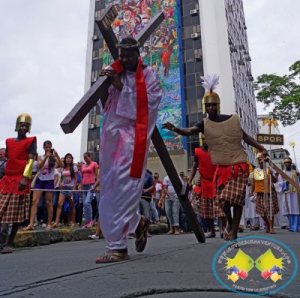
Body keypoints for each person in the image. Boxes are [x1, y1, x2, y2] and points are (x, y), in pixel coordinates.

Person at [163, 74, 267, 242]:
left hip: (239, 165)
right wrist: (174, 128)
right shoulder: (203, 124)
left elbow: (246, 137)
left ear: (217, 106)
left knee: (238, 201)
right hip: (221, 167)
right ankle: (231, 223)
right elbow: (189, 131)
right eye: (208, 105)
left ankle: (233, 231)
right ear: (205, 107)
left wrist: (261, 148)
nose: (210, 108)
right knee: (223, 200)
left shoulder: (232, 120)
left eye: (213, 105)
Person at [96, 36, 162, 263]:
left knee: (124, 184)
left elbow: (149, 103)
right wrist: (105, 85)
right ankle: (137, 222)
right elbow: (105, 104)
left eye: (129, 56)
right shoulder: (115, 70)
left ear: (137, 54)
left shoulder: (149, 74)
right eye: (121, 56)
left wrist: (119, 86)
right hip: (112, 135)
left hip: (133, 136)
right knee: (109, 185)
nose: (124, 60)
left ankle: (118, 246)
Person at [0, 114, 37, 253]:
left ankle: (8, 243)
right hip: (7, 180)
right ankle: (2, 242)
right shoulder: (9, 141)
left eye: (26, 126)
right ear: (17, 126)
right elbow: (9, 158)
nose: (24, 128)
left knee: (15, 214)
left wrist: (25, 178)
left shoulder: (31, 141)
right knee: (2, 211)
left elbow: (30, 161)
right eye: (22, 125)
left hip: (20, 180)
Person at [188, 135, 226, 238]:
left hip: (216, 182)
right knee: (208, 210)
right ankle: (212, 231)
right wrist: (189, 180)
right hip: (205, 183)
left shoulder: (216, 152)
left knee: (219, 208)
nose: (205, 141)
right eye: (204, 139)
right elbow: (194, 168)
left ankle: (223, 230)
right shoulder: (198, 153)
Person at [24, 140, 63, 231]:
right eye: (46, 147)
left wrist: (56, 156)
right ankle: (31, 224)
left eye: (49, 147)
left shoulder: (54, 158)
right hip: (40, 180)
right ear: (44, 148)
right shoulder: (40, 156)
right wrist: (46, 157)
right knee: (34, 201)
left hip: (49, 181)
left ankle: (49, 223)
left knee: (48, 203)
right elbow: (40, 167)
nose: (48, 149)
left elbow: (62, 165)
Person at [251, 153, 279, 234]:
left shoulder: (269, 169)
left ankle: (271, 228)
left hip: (269, 192)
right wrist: (251, 193)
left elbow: (274, 180)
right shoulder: (255, 171)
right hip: (260, 193)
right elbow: (253, 183)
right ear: (258, 161)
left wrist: (271, 174)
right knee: (261, 212)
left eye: (263, 159)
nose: (261, 160)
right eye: (260, 159)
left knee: (270, 211)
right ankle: (267, 224)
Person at [52, 153, 78, 228]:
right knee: (59, 204)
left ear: (72, 159)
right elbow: (63, 177)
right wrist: (60, 182)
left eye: (70, 158)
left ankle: (73, 222)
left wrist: (74, 188)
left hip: (70, 188)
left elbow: (75, 178)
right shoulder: (63, 168)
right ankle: (56, 222)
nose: (68, 159)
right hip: (63, 187)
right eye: (67, 158)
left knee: (71, 205)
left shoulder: (74, 167)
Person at [277, 157, 300, 232]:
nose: (287, 164)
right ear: (284, 164)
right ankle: (291, 226)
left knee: (296, 210)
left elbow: (298, 183)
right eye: (286, 163)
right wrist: (285, 183)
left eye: (289, 163)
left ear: (291, 163)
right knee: (289, 210)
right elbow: (279, 184)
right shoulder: (282, 174)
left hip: (295, 194)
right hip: (287, 194)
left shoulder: (295, 173)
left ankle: (297, 226)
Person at [79, 153, 99, 228]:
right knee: (85, 204)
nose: (85, 159)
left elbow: (97, 176)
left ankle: (90, 220)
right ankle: (87, 221)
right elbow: (82, 177)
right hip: (84, 186)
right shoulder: (83, 166)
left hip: (91, 186)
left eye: (86, 157)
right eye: (84, 158)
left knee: (87, 202)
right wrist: (80, 186)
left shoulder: (94, 164)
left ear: (90, 157)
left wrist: (96, 186)